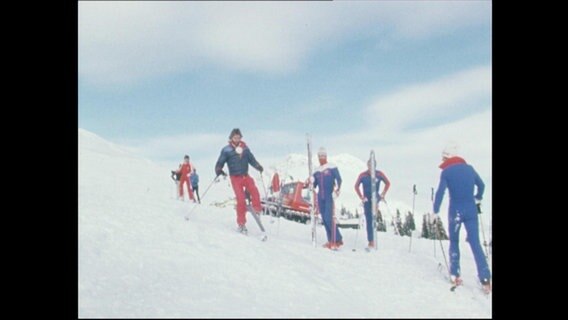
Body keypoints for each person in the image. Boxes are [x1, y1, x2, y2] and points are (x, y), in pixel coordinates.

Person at [432, 142, 491, 293]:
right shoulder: (470, 169)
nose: (443, 161)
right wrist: (477, 198)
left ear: (449, 156)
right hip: (471, 209)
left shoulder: (446, 173)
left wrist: (435, 211)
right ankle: (485, 280)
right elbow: (482, 185)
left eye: (444, 157)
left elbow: (440, 193)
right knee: (475, 243)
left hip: (455, 211)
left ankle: (455, 275)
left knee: (454, 241)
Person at [215, 128, 264, 234]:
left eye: (238, 137)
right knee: (241, 200)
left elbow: (251, 159)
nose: (237, 139)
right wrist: (218, 169)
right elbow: (220, 161)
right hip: (235, 178)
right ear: (231, 138)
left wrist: (258, 166)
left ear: (241, 138)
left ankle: (257, 210)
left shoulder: (245, 148)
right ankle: (241, 224)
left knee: (254, 190)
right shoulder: (227, 150)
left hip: (245, 176)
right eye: (235, 137)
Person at [311, 147, 343, 249]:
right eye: (320, 156)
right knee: (324, 219)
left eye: (323, 156)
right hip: (321, 196)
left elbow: (339, 179)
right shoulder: (317, 170)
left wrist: (337, 190)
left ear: (326, 156)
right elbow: (314, 185)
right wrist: (310, 182)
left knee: (329, 218)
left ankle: (337, 239)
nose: (321, 158)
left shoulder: (331, 167)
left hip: (329, 195)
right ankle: (330, 240)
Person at [354, 158, 390, 249]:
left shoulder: (379, 174)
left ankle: (374, 239)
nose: (371, 167)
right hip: (366, 199)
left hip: (375, 198)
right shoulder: (363, 175)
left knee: (374, 218)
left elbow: (388, 183)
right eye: (370, 165)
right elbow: (356, 186)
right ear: (368, 165)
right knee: (369, 219)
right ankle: (371, 241)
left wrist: (382, 194)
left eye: (373, 165)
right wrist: (361, 197)